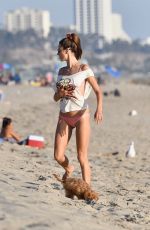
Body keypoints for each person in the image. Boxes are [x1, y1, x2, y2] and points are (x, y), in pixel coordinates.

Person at [53, 33, 103, 185]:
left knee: (82, 156)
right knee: (58, 156)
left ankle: (87, 190)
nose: (57, 53)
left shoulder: (83, 68)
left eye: (59, 50)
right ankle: (69, 168)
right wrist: (60, 94)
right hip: (64, 116)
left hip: (81, 115)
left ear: (67, 50)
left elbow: (98, 91)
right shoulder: (61, 72)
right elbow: (55, 98)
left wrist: (99, 108)